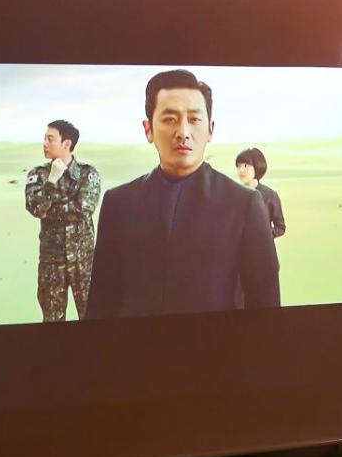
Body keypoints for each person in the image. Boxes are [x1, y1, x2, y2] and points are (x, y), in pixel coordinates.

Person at [86, 69, 279, 319]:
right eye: (169, 119)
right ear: (148, 129)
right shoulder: (118, 203)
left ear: (210, 129)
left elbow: (265, 307)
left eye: (194, 119)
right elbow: (101, 304)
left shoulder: (244, 204)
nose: (183, 132)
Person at [24, 119, 102, 321]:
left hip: (83, 263)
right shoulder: (38, 174)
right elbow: (35, 208)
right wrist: (51, 181)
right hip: (52, 263)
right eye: (44, 138)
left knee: (92, 317)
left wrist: (50, 209)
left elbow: (84, 209)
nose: (44, 143)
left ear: (67, 143)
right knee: (52, 321)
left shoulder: (88, 173)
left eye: (50, 139)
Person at [234, 147, 285, 239]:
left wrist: (262, 236)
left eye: (245, 166)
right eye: (238, 166)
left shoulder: (270, 195)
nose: (241, 170)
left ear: (257, 166)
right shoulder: (234, 194)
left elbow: (280, 227)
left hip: (263, 247)